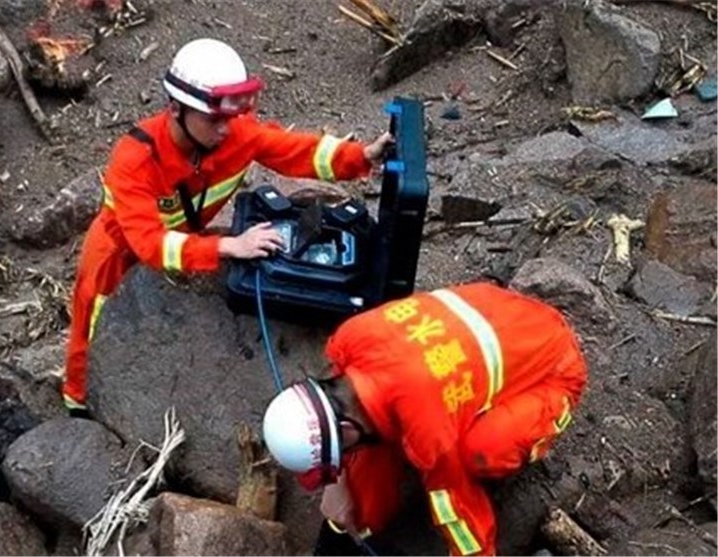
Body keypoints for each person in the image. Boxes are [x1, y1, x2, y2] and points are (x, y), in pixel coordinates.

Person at [63, 38, 392, 414]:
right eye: (214, 119)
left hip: (185, 241)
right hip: (115, 256)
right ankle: (77, 407)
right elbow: (150, 245)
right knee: (91, 333)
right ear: (175, 109)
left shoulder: (236, 134)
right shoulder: (135, 160)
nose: (225, 129)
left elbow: (296, 151)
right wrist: (227, 247)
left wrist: (360, 156)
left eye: (231, 117)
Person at [262, 282, 588, 556]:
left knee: (482, 450)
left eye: (339, 455)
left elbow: (458, 508)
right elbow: (344, 420)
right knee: (365, 484)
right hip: (499, 314)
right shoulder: (350, 339)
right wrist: (340, 488)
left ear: (345, 429)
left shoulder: (426, 426)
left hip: (553, 366)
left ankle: (516, 420)